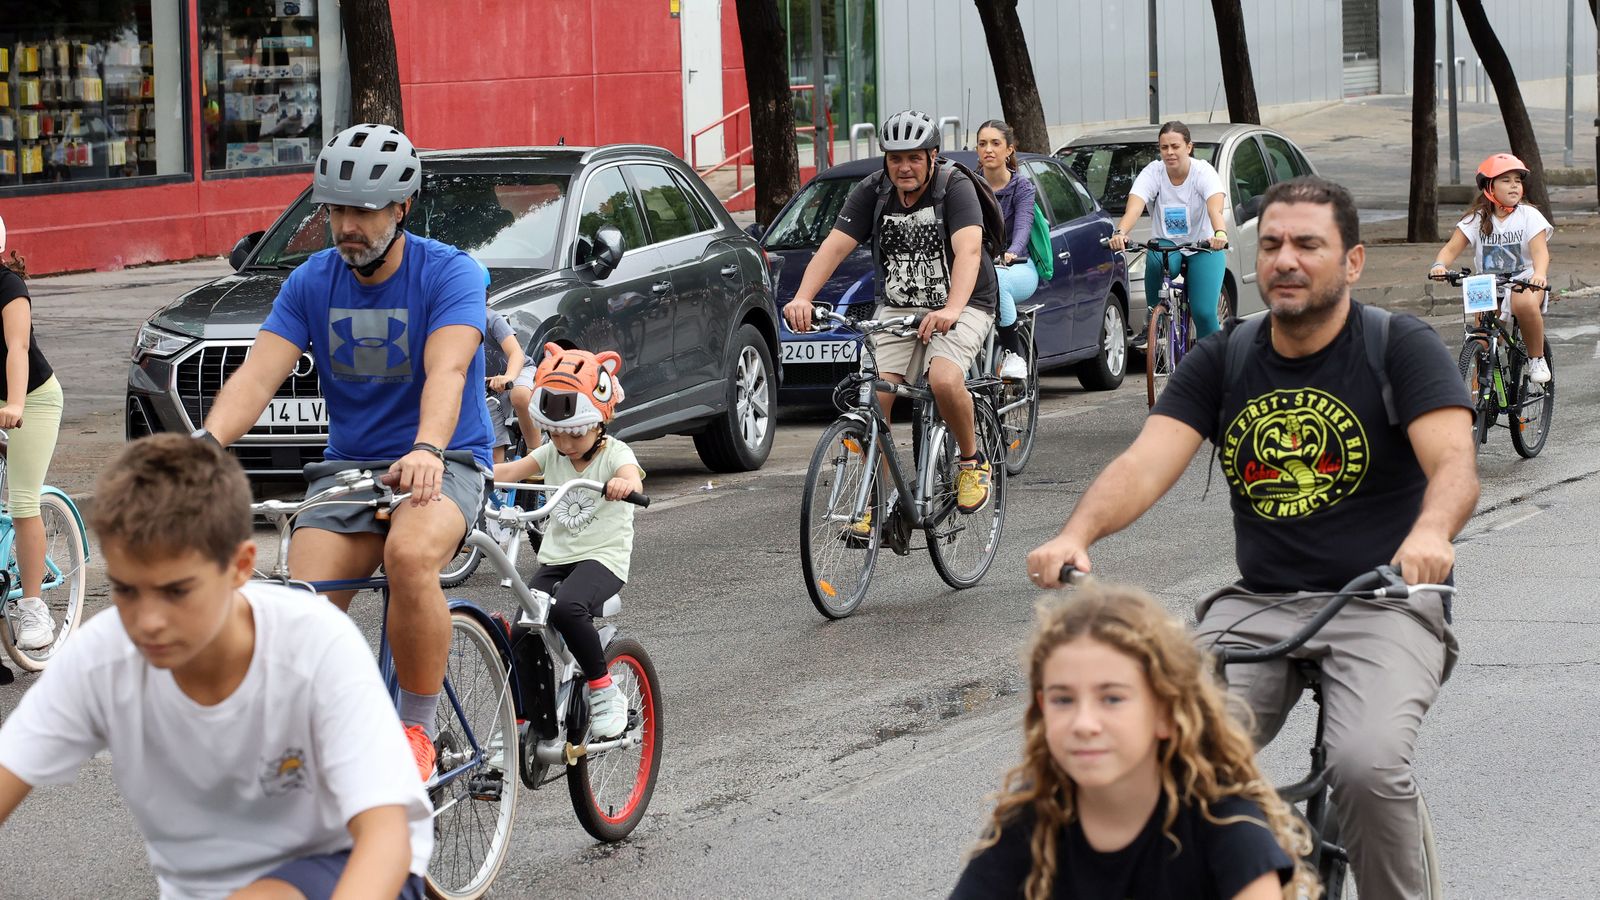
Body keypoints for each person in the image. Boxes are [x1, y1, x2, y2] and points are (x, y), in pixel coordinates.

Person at [1028, 176, 1478, 900]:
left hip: (1383, 600)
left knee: (1365, 766)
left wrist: (1431, 531)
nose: (1285, 260)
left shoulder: (1398, 346)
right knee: (1166, 751)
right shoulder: (1226, 356)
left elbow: (1454, 464)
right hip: (1259, 604)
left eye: (1307, 245)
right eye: (1271, 245)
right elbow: (1145, 463)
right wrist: (1075, 535)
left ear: (1352, 261)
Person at [0, 434, 432, 898]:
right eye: (126, 589)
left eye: (176, 591)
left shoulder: (315, 643)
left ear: (240, 566)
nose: (147, 621)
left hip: (354, 869)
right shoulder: (102, 657)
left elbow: (387, 837)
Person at [197, 123, 495, 780]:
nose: (346, 226)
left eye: (363, 210)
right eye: (334, 210)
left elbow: (448, 371)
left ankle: (416, 730)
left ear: (402, 207)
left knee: (408, 555)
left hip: (446, 462)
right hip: (350, 471)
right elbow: (256, 377)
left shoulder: (449, 273)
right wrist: (207, 444)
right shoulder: (311, 282)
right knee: (303, 603)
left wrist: (427, 447)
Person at [951, 582, 1312, 899]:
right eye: (1063, 699)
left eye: (1112, 698)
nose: (1084, 723)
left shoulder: (1226, 825)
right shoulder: (1034, 814)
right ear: (1043, 709)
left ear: (1166, 713)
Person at [783, 109, 997, 515]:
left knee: (944, 379)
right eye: (895, 158)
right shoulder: (873, 191)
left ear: (932, 156)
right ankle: (876, 502)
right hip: (900, 305)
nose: (904, 167)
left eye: (914, 157)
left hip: (964, 301)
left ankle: (971, 461)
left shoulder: (955, 188)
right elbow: (833, 247)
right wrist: (803, 297)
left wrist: (952, 308)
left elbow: (969, 251)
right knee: (874, 395)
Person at [492, 344, 644, 739]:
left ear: (599, 421)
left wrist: (623, 484)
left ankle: (604, 689)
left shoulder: (615, 453)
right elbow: (511, 470)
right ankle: (531, 721)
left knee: (567, 608)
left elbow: (632, 476)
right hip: (557, 558)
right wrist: (475, 471)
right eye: (556, 434)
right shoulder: (551, 453)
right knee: (523, 626)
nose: (564, 444)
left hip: (602, 559)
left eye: (573, 434)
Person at [0, 213, 66, 676]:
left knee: (23, 501)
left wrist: (16, 403)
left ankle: (34, 609)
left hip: (33, 399)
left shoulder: (9, 287)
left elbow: (17, 349)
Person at [1429, 152, 1553, 383]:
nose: (1514, 185)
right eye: (1506, 180)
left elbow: (1540, 253)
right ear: (1489, 187)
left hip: (1523, 281)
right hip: (1487, 284)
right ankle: (1479, 396)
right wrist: (1440, 265)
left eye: (1518, 180)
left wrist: (1539, 274)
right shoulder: (1477, 218)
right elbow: (1450, 249)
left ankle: (1537, 358)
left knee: (1524, 303)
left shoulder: (1530, 216)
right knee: (1482, 342)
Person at [1108, 121, 1229, 341]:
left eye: (1175, 146)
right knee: (1154, 259)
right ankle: (1153, 318)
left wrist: (1220, 233)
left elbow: (1215, 208)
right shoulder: (1153, 172)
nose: (1169, 152)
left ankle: (1213, 358)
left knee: (1203, 312)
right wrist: (1120, 232)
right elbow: (1134, 208)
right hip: (1168, 244)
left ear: (1189, 147)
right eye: (1164, 147)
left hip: (1204, 245)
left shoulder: (1203, 172)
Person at [976, 119, 1039, 381]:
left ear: (1009, 150)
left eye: (995, 143)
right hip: (978, 266)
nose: (988, 149)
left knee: (999, 280)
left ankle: (1014, 356)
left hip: (1017, 267)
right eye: (982, 144)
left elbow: (1023, 225)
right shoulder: (969, 185)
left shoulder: (1022, 187)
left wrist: (1012, 251)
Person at [484, 308, 527, 465]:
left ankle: (535, 452)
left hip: (515, 370)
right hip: (486, 384)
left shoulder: (491, 319)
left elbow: (516, 353)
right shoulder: (448, 322)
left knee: (520, 395)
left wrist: (509, 376)